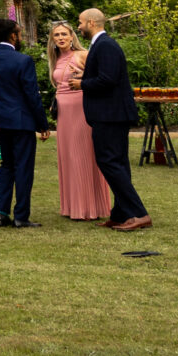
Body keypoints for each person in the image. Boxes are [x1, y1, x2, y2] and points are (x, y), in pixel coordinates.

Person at [77, 8, 150, 229]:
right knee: (117, 162)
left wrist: (82, 83)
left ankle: (139, 213)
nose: (78, 27)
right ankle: (121, 214)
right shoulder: (101, 44)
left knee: (108, 161)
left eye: (80, 23)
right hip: (110, 114)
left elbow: (107, 80)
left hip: (110, 114)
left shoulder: (105, 45)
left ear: (91, 22)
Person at [0, 18, 50, 229]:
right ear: (12, 36)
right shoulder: (23, 60)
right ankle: (21, 215)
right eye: (19, 33)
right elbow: (32, 95)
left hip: (0, 119)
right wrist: (42, 124)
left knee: (7, 164)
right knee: (24, 167)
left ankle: (1, 213)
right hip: (21, 120)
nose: (21, 37)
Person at [48, 22, 108, 220]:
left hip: (81, 108)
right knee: (67, 157)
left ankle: (90, 208)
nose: (61, 38)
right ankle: (71, 206)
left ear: (72, 36)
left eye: (64, 34)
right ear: (53, 39)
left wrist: (83, 76)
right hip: (63, 113)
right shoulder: (55, 58)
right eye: (57, 35)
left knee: (81, 155)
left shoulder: (82, 55)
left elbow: (101, 78)